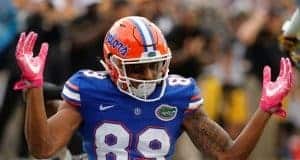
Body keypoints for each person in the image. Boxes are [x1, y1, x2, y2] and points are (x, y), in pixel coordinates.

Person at [14, 16, 294, 159]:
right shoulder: (89, 88)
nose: (148, 75)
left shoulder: (180, 95)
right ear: (112, 64)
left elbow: (229, 156)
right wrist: (35, 87)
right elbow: (43, 148)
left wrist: (265, 109)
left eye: (156, 64)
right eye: (136, 67)